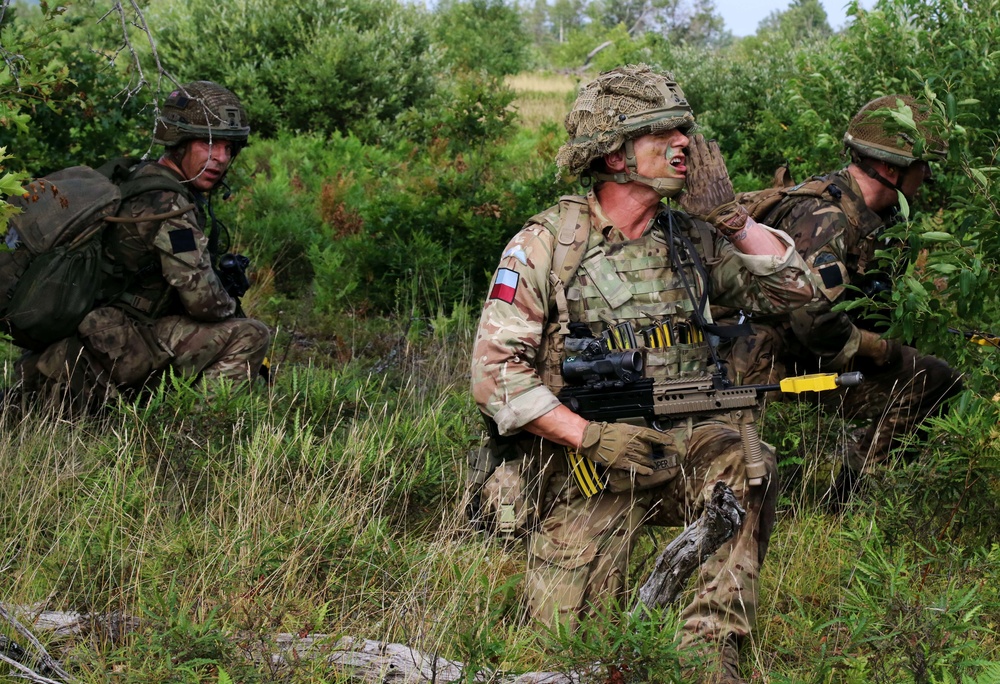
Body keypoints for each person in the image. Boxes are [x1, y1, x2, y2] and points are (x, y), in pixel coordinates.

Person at [470, 65, 816, 683]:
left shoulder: (693, 240)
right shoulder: (548, 245)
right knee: (565, 652)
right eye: (662, 133)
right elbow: (496, 374)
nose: (685, 144)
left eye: (686, 131)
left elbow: (797, 293)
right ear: (612, 153)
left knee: (746, 460)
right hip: (583, 465)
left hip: (683, 445)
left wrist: (734, 221)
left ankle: (709, 652)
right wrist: (591, 437)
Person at [720, 95, 963, 508]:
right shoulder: (825, 216)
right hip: (759, 359)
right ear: (890, 169)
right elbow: (813, 320)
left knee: (931, 376)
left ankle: (855, 496)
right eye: (920, 166)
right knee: (918, 373)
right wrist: (878, 348)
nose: (925, 176)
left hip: (797, 352)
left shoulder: (877, 218)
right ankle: (849, 501)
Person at [16, 80, 270, 413]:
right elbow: (204, 302)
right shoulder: (168, 206)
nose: (220, 158)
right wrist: (226, 301)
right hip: (110, 347)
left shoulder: (138, 177)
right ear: (178, 142)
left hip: (93, 341)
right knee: (250, 335)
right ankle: (201, 437)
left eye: (229, 148)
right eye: (209, 144)